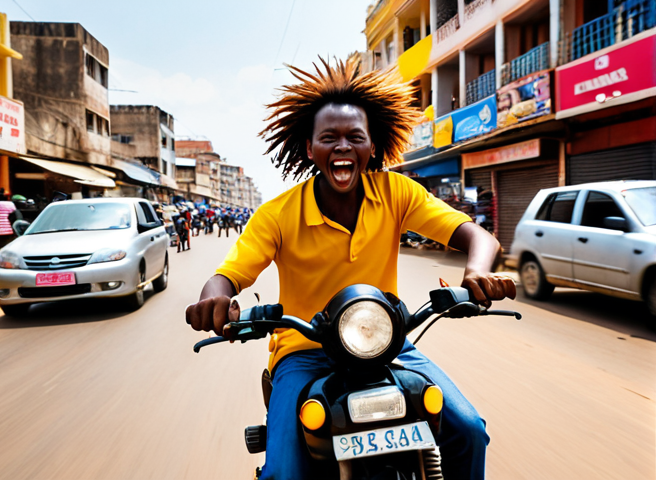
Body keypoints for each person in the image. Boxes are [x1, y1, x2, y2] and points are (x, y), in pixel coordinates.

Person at [185, 58, 516, 480]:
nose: (342, 146)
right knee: (283, 473)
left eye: (354, 137)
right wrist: (213, 298)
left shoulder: (398, 193)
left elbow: (478, 238)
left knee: (469, 431)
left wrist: (476, 273)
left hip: (385, 343)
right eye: (329, 138)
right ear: (310, 148)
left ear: (372, 146)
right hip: (303, 352)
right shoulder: (277, 214)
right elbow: (228, 274)